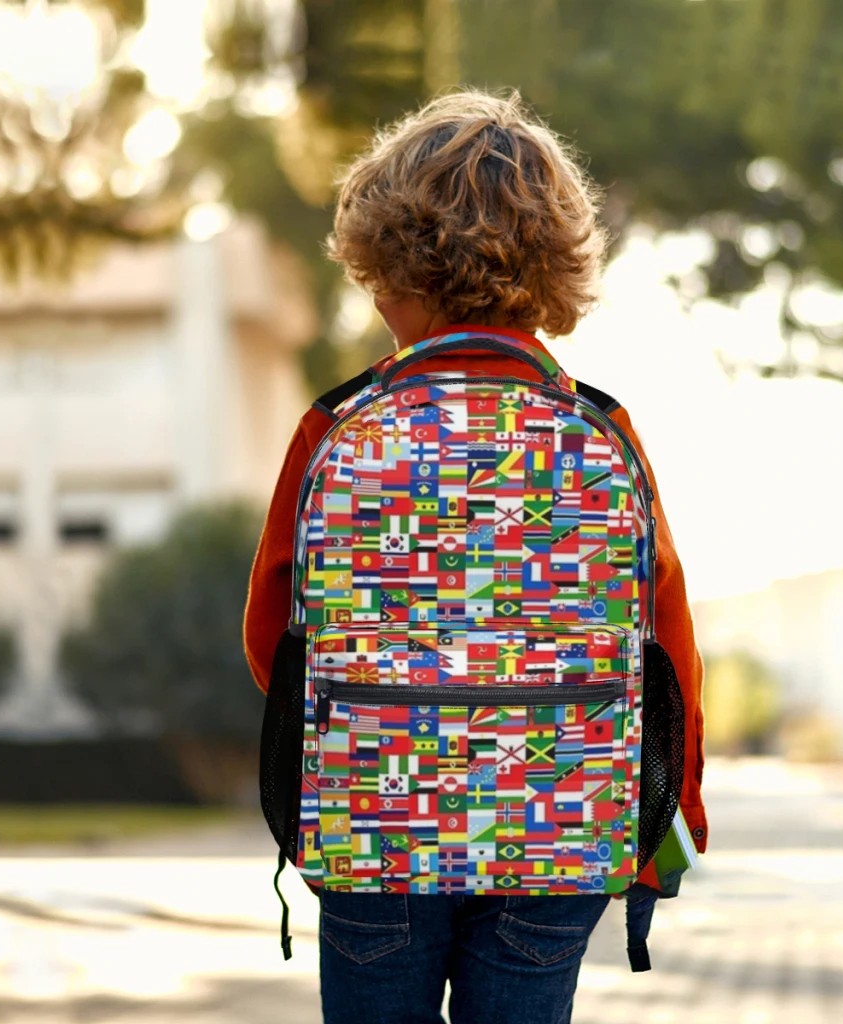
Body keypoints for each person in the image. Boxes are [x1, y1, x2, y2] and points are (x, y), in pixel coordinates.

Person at [244, 88, 706, 1024]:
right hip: (559, 829)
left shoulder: (338, 428)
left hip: (378, 827)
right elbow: (665, 643)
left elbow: (272, 638)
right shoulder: (601, 429)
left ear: (387, 268)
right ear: (556, 267)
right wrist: (673, 813)